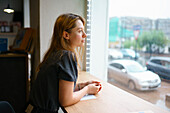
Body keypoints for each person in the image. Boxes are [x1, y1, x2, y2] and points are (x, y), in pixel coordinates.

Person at [28, 13, 102, 113]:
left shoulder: (55, 53)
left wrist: (82, 86)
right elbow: (66, 100)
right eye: (80, 31)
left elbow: (57, 87)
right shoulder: (66, 56)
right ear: (66, 35)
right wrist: (87, 90)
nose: (85, 35)